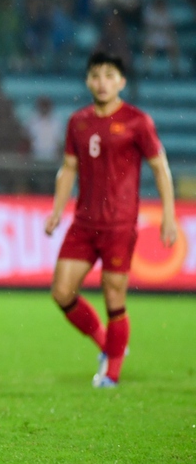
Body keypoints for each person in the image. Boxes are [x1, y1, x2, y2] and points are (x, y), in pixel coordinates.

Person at [44, 52, 177, 388]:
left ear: (122, 81)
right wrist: (58, 210)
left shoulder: (137, 121)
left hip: (119, 223)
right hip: (84, 223)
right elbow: (69, 168)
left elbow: (160, 168)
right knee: (61, 291)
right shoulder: (78, 122)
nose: (101, 83)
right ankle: (108, 344)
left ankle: (112, 376)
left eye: (109, 76)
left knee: (114, 293)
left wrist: (169, 216)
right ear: (88, 80)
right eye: (95, 75)